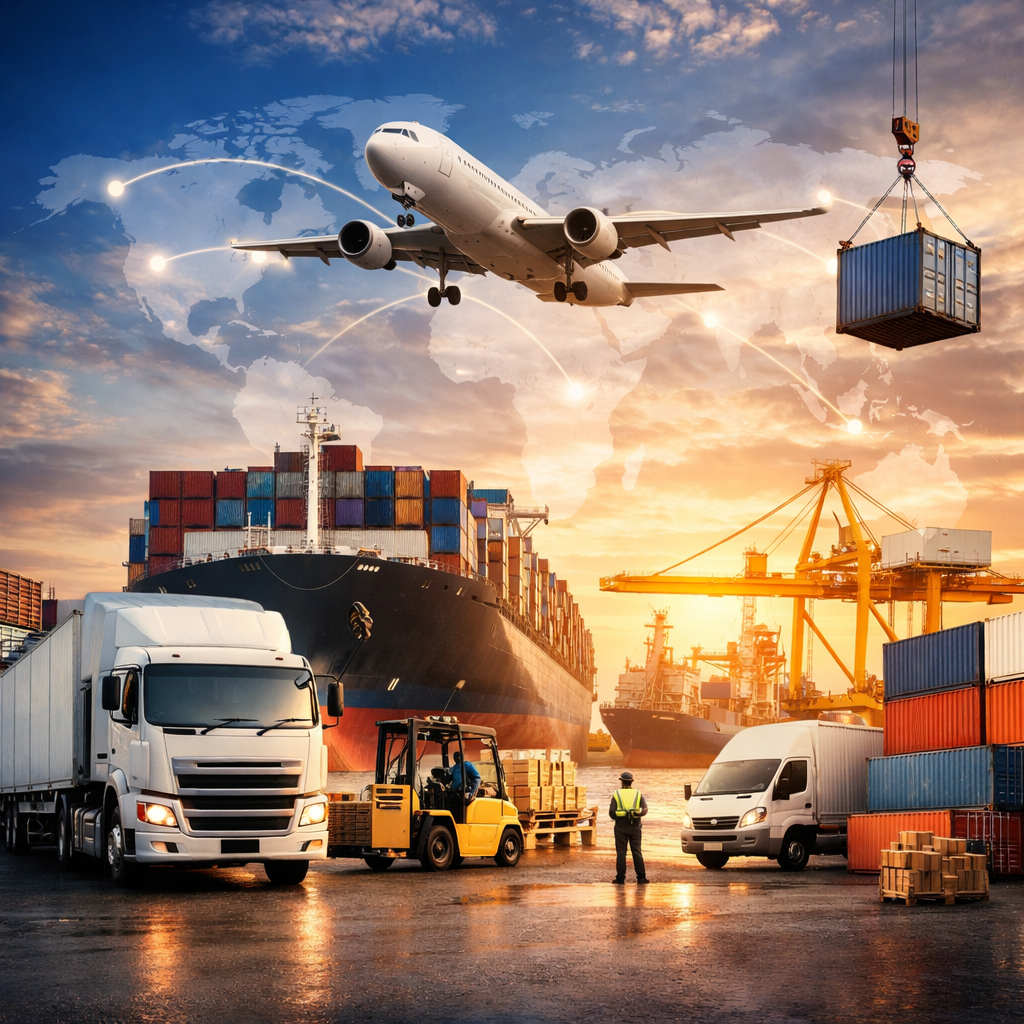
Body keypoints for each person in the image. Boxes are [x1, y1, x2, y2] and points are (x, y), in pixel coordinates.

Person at [609, 770, 648, 884]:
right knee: (637, 852)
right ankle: (641, 877)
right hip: (635, 827)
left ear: (621, 782)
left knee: (621, 853)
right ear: (632, 782)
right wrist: (635, 814)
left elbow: (611, 812)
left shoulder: (617, 794)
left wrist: (621, 815)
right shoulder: (638, 794)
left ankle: (620, 878)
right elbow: (644, 810)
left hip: (621, 828)